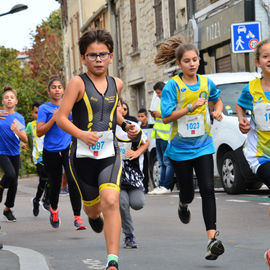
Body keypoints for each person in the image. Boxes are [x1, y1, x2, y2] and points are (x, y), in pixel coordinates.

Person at [56, 29, 137, 270]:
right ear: (83, 58)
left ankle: (112, 260)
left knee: (111, 199)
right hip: (81, 156)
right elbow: (61, 118)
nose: (98, 59)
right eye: (92, 55)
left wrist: (126, 126)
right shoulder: (77, 83)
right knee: (92, 209)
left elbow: (112, 113)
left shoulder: (117, 83)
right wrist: (81, 134)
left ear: (111, 57)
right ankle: (93, 217)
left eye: (103, 54)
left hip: (109, 153)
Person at [155, 38, 224, 260]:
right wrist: (189, 108)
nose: (192, 64)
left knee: (207, 190)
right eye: (187, 61)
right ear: (179, 63)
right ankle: (183, 204)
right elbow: (166, 117)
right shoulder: (172, 86)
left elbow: (217, 100)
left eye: (195, 60)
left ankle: (212, 240)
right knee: (188, 192)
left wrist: (217, 111)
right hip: (179, 149)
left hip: (203, 146)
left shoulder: (206, 83)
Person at [235, 39, 270, 268]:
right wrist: (242, 121)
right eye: (266, 56)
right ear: (258, 62)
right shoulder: (252, 88)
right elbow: (240, 106)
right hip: (261, 155)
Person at [36, 77, 86, 230]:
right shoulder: (44, 109)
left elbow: (76, 124)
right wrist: (53, 119)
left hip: (67, 148)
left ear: (64, 90)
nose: (57, 89)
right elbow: (39, 132)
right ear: (49, 91)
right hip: (51, 151)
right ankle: (54, 209)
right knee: (55, 183)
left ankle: (77, 217)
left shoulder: (69, 106)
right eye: (54, 87)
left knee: (73, 180)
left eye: (59, 87)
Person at [117, 99, 149, 248]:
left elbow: (146, 142)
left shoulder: (132, 126)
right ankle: (129, 235)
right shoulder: (108, 127)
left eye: (122, 108)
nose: (119, 110)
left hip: (133, 174)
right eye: (116, 107)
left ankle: (117, 212)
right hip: (115, 174)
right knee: (123, 203)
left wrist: (137, 152)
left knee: (137, 203)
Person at [0, 86, 28, 221]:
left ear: (16, 101)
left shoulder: (18, 118)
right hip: (1, 151)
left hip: (14, 152)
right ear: (3, 101)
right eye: (6, 97)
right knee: (10, 174)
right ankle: (0, 186)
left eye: (11, 97)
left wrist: (17, 131)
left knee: (14, 183)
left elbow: (25, 139)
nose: (9, 99)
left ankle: (8, 209)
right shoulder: (0, 114)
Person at [148, 82, 175, 195]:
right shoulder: (161, 101)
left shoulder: (170, 100)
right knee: (161, 163)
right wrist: (155, 115)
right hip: (159, 135)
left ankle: (166, 186)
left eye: (158, 93)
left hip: (166, 136)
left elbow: (172, 115)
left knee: (167, 162)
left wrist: (160, 115)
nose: (157, 95)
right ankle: (161, 185)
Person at [26, 101, 50, 216]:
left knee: (45, 180)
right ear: (32, 113)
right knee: (46, 176)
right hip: (38, 157)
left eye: (40, 112)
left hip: (50, 154)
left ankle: (37, 200)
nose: (38, 115)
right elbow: (21, 132)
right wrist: (21, 142)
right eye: (36, 113)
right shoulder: (31, 125)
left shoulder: (49, 122)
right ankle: (45, 200)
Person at [137, 108, 150, 193]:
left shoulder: (149, 126)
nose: (140, 118)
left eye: (142, 116)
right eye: (139, 116)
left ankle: (146, 186)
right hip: (140, 150)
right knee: (141, 168)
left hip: (148, 149)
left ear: (146, 117)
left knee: (147, 168)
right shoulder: (137, 126)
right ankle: (141, 186)